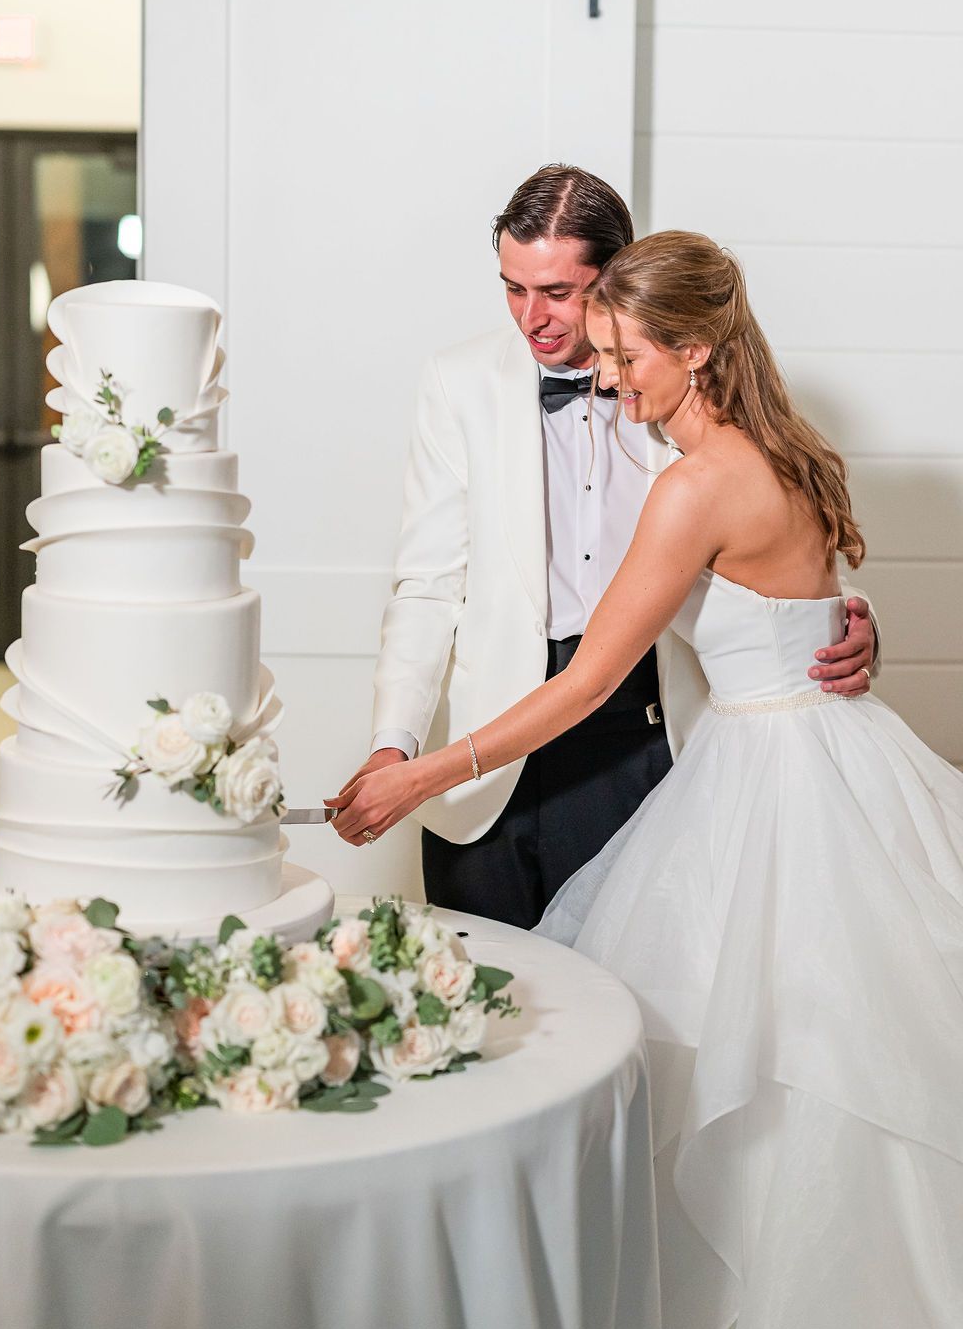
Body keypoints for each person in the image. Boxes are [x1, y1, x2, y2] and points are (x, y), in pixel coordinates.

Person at [332, 231, 963, 1329]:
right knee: (815, 1046)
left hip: (766, 781)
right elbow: (802, 601)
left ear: (698, 351)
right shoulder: (794, 451)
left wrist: (420, 770)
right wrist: (843, 621)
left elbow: (585, 682)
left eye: (626, 355)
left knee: (775, 1057)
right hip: (836, 756)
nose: (608, 374)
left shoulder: (690, 487)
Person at [331, 168, 875, 927]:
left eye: (557, 291)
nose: (533, 317)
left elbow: (770, 520)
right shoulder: (458, 382)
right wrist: (396, 745)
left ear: (615, 275)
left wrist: (844, 617)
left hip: (642, 732)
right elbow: (425, 585)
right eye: (513, 288)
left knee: (630, 998)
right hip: (490, 746)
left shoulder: (679, 382)